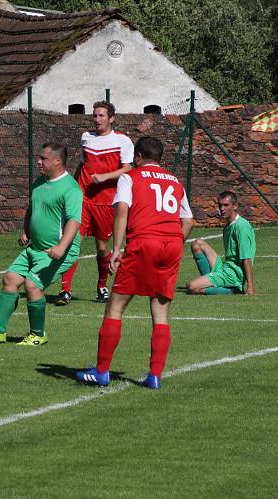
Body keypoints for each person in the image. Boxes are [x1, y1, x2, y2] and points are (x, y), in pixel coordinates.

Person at [76, 136, 194, 389]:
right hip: (172, 244)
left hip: (144, 242)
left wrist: (117, 249)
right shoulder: (175, 182)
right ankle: (154, 376)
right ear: (160, 157)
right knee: (161, 311)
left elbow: (121, 210)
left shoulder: (131, 177)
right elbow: (189, 220)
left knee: (116, 306)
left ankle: (102, 371)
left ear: (138, 157)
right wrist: (173, 240)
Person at [0, 143, 82, 346]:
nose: (39, 162)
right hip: (34, 248)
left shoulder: (71, 188)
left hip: (57, 251)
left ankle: (38, 335)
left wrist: (61, 247)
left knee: (32, 285)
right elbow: (32, 209)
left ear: (57, 161)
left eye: (44, 158)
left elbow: (74, 221)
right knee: (10, 279)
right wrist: (25, 230)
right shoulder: (39, 183)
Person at [57, 101, 134, 306]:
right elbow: (83, 165)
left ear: (111, 118)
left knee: (102, 248)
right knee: (73, 243)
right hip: (82, 200)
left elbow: (128, 169)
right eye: (95, 116)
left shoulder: (122, 141)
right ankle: (65, 290)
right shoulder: (86, 138)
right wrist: (72, 188)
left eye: (101, 116)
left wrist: (106, 177)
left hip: (106, 202)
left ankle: (101, 286)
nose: (97, 119)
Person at [185, 191, 256, 296]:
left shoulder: (242, 226)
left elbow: (246, 258)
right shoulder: (227, 227)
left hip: (233, 275)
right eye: (220, 205)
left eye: (226, 205)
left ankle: (232, 290)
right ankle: (212, 280)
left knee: (191, 287)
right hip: (225, 267)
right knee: (197, 244)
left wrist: (250, 287)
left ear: (235, 206)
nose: (222, 209)